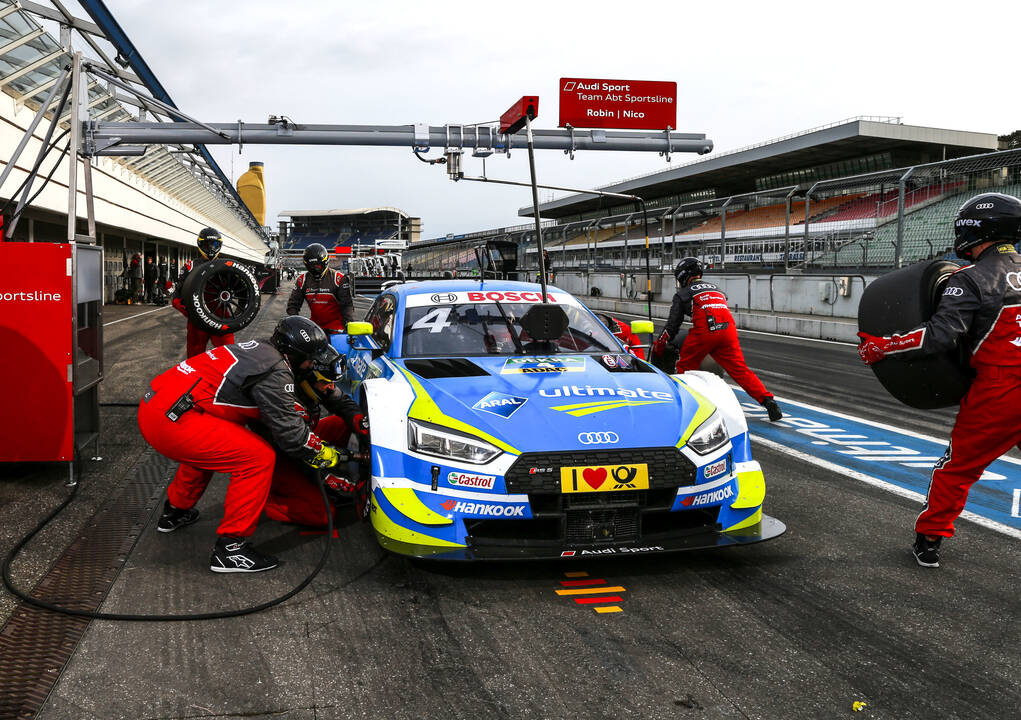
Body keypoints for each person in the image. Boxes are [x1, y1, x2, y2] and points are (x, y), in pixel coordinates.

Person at [857, 192, 1021, 568]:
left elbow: (939, 337)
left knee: (956, 469)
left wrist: (882, 347)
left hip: (1000, 391)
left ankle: (929, 540)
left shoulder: (971, 279)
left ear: (977, 230)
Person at [137, 316, 367, 573]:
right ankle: (230, 549)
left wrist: (358, 419)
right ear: (296, 357)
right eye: (312, 359)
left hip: (165, 402)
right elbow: (293, 437)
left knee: (217, 448)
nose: (315, 365)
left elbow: (331, 396)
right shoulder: (277, 373)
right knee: (258, 457)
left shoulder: (266, 352)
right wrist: (335, 460)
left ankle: (176, 510)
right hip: (173, 415)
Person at [654, 257, 783, 422]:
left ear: (684, 276)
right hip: (728, 329)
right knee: (740, 370)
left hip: (705, 331)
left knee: (684, 368)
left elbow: (672, 326)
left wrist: (660, 345)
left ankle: (683, 408)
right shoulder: (717, 289)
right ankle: (768, 401)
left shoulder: (683, 294)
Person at [172, 228, 236, 358]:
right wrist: (190, 312)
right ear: (201, 244)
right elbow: (176, 297)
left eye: (215, 245)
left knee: (228, 356)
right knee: (194, 359)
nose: (211, 248)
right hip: (198, 320)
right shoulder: (190, 266)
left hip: (221, 317)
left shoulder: (228, 265)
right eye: (208, 245)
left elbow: (244, 288)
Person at [286, 243, 355, 334]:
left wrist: (348, 326)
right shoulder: (302, 280)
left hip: (337, 327)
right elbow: (292, 305)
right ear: (307, 265)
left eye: (317, 266)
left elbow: (347, 306)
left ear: (325, 262)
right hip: (315, 326)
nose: (315, 269)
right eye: (312, 266)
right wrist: (296, 325)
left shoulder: (338, 279)